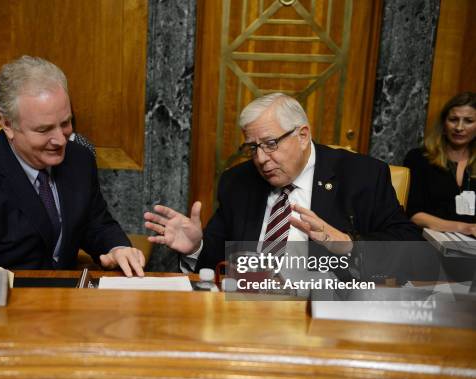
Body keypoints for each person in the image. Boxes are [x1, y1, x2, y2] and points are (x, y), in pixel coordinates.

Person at [144, 93, 420, 271]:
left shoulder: (363, 176)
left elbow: (410, 251)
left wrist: (348, 243)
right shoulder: (237, 182)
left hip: (327, 314)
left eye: (271, 144)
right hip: (248, 315)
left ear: (302, 136)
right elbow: (217, 262)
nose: (261, 159)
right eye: (253, 148)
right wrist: (196, 248)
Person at [0, 56, 144, 276]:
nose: (61, 140)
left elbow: (96, 223)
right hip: (9, 303)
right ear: (7, 124)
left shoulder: (80, 160)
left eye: (65, 123)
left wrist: (117, 248)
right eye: (44, 130)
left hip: (69, 299)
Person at [404, 91, 476, 237]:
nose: (459, 127)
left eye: (468, 121)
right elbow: (414, 214)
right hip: (428, 240)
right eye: (453, 119)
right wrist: (463, 227)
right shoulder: (419, 158)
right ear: (444, 123)